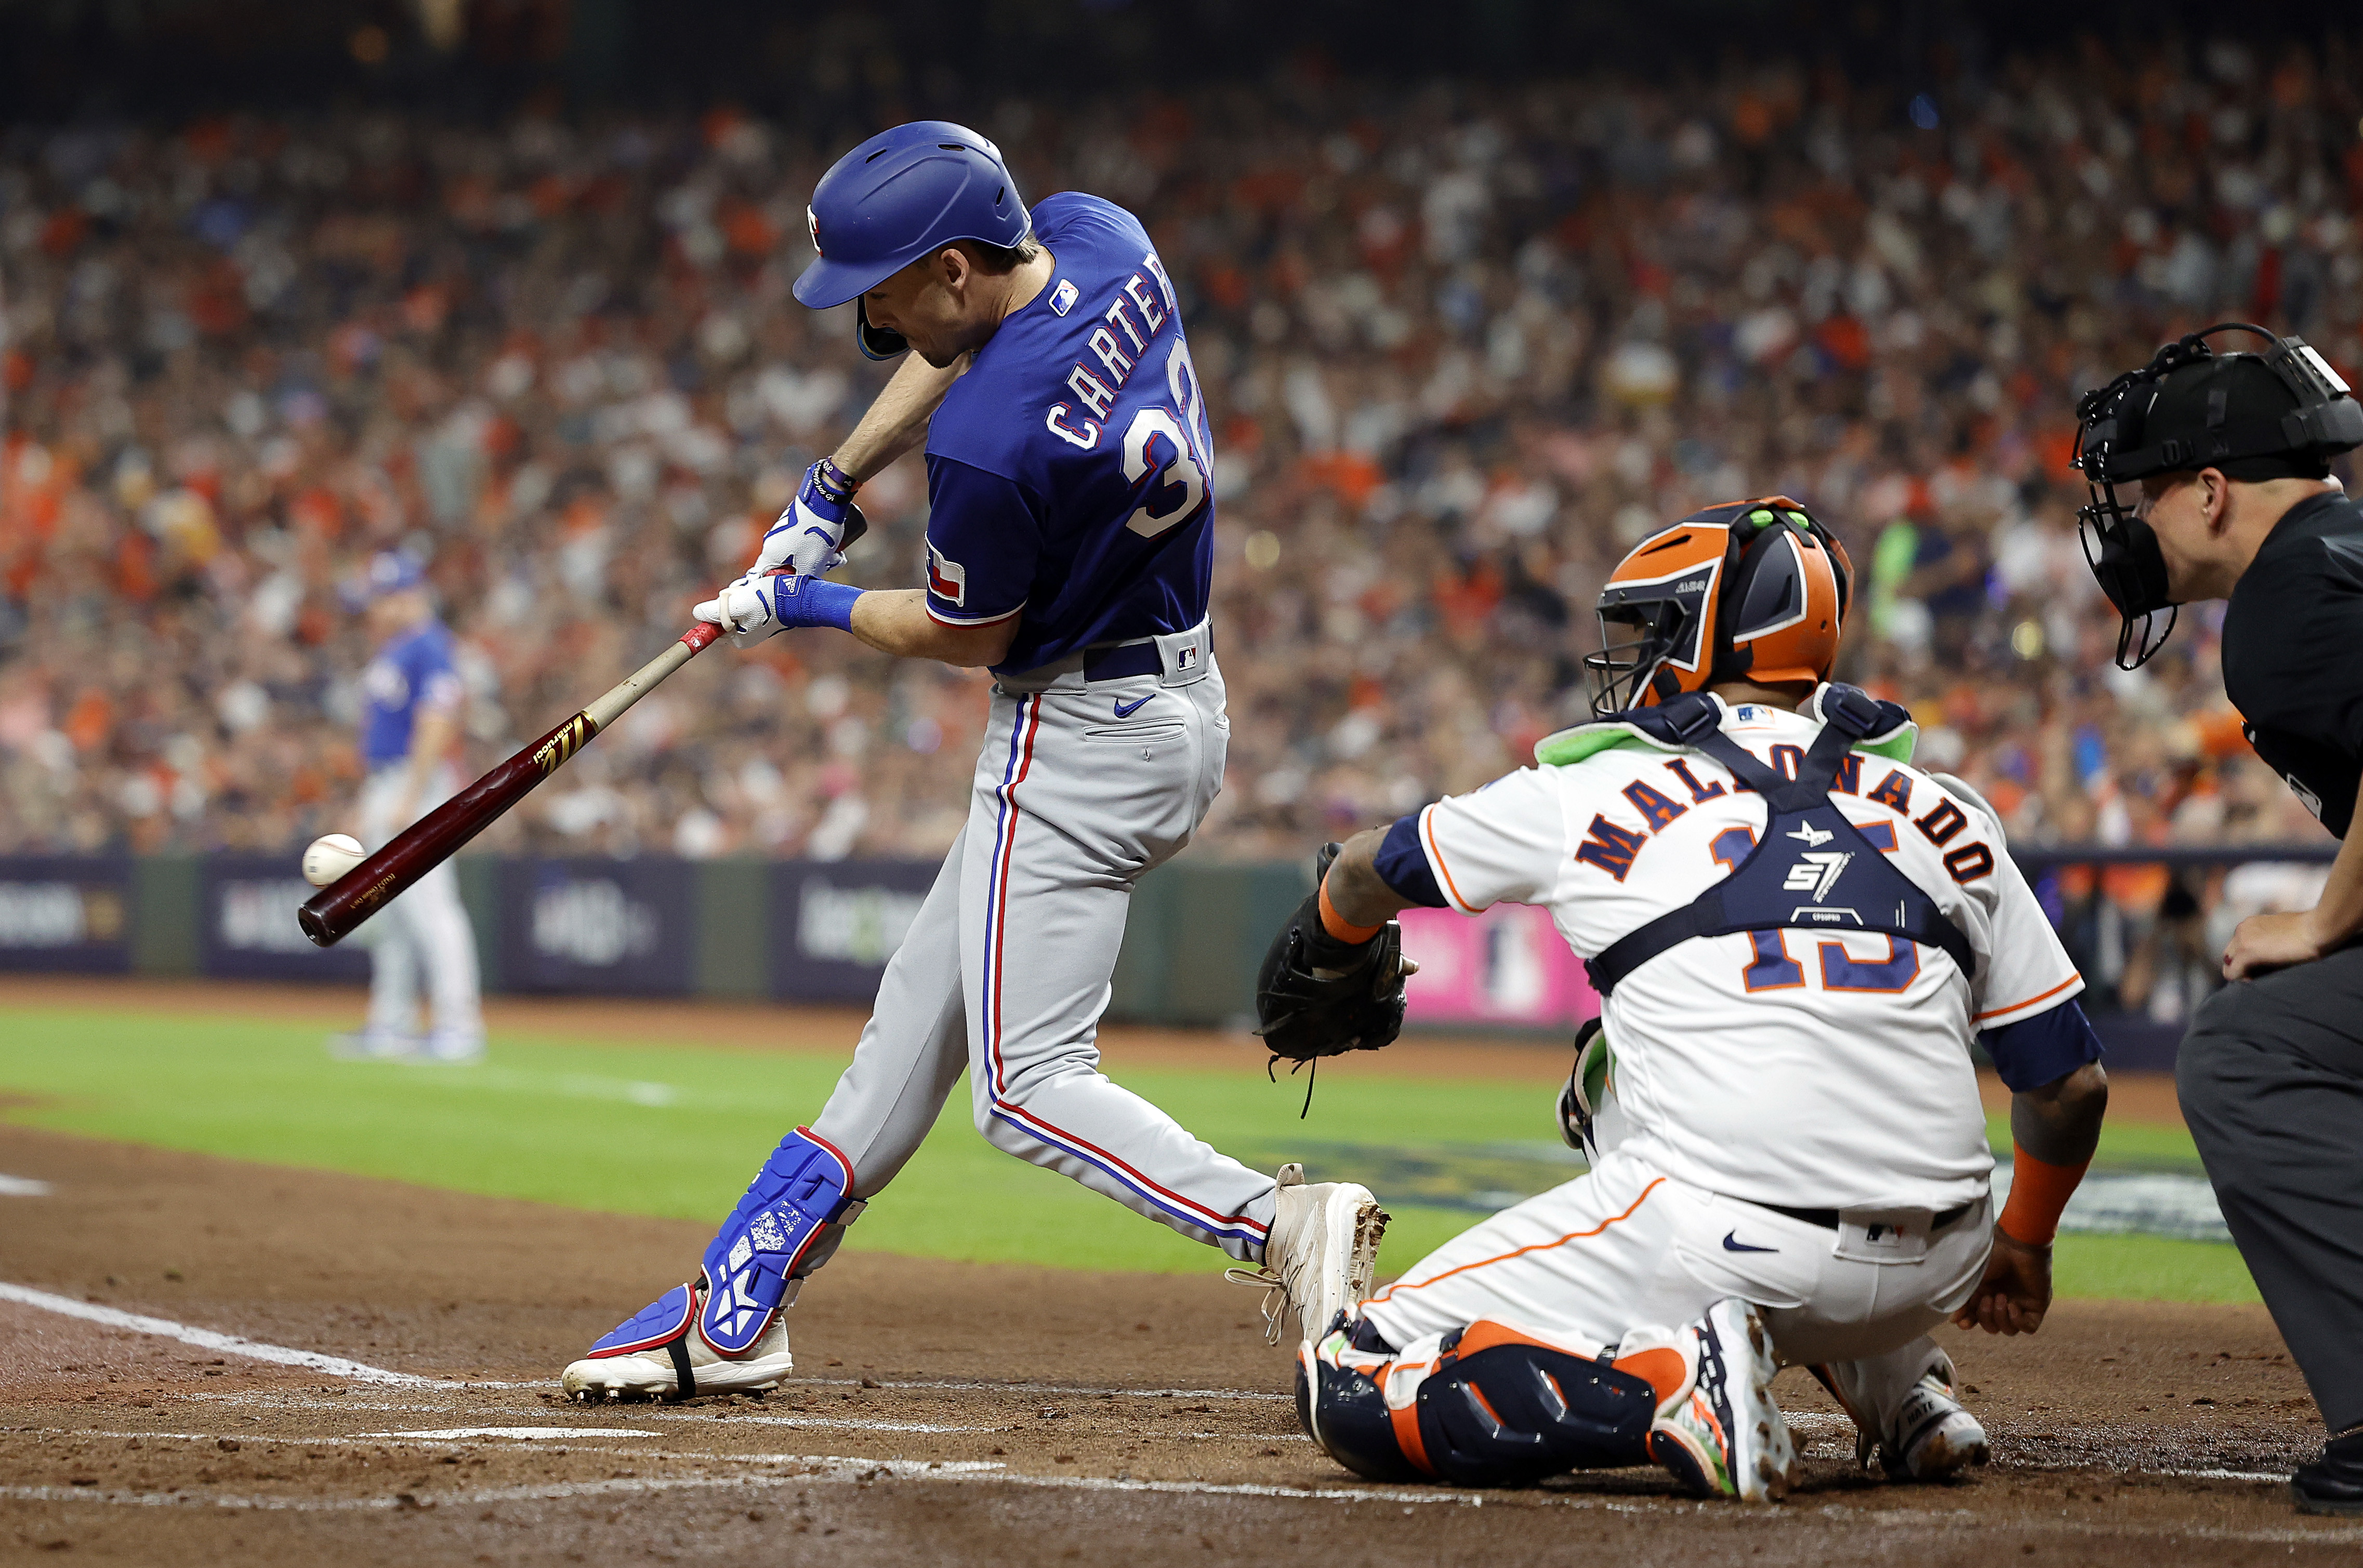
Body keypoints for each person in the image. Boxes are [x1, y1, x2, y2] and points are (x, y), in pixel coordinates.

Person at [561, 122, 1385, 1401]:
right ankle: (740, 1298)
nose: (868, 325)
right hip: (1167, 696)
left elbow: (966, 629)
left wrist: (802, 608)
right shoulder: (1103, 239)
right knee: (912, 1020)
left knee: (1026, 1088)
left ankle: (1274, 1224)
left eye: (883, 292)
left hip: (1073, 737)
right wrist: (830, 491)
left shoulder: (990, 450)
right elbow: (986, 345)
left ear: (952, 268)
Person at [1257, 499, 2108, 1500]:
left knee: (1345, 1376)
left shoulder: (1590, 786)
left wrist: (1330, 944)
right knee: (1609, 1064)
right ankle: (1907, 1393)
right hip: (1948, 1261)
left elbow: (1366, 870)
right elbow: (2069, 1087)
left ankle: (1665, 1393)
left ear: (1703, 634)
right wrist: (2021, 1243)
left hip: (1730, 1244)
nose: (1629, 658)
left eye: (1648, 629)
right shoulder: (1947, 806)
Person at [2071, 322, 2363, 1516]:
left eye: (2140, 494)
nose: (2126, 524)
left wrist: (2321, 919)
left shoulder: (2287, 590)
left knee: (2250, 1046)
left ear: (2207, 492)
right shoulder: (2341, 550)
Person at [327, 551, 485, 1065]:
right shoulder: (398, 648)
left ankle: (458, 1026)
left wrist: (412, 796)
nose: (372, 609)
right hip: (388, 783)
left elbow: (438, 719)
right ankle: (389, 1024)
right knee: (388, 911)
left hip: (417, 785)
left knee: (431, 908)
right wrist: (365, 802)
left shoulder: (428, 645)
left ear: (403, 595)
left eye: (378, 598)